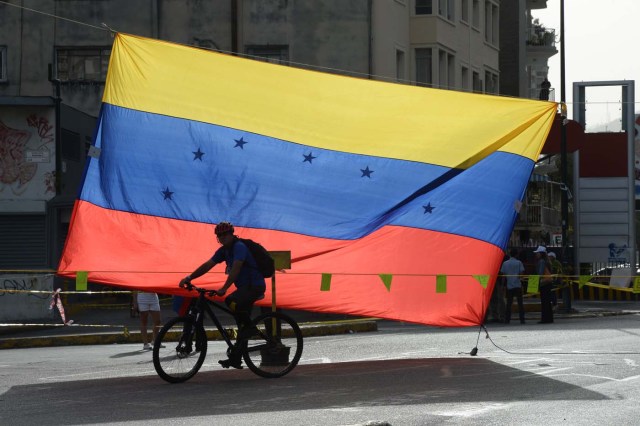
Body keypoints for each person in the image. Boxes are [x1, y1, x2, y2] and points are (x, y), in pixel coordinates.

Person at [179, 221, 266, 369]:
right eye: (220, 235)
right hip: (244, 288)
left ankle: (251, 328)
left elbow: (236, 268)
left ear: (232, 234)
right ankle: (236, 358)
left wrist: (225, 287)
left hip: (254, 286)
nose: (223, 237)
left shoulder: (239, 247)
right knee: (240, 322)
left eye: (225, 234)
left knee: (231, 300)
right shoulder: (224, 251)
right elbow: (208, 265)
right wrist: (189, 278)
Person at [501, 248, 526, 324]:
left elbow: (503, 276)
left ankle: (507, 319)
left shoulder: (505, 263)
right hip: (517, 285)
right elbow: (521, 275)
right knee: (520, 303)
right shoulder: (519, 263)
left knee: (509, 303)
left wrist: (502, 285)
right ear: (516, 254)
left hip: (509, 286)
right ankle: (522, 319)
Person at [533, 245, 554, 324]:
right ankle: (549, 318)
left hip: (543, 283)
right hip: (547, 283)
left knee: (544, 302)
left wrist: (536, 282)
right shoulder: (547, 261)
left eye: (537, 253)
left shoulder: (541, 261)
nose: (536, 254)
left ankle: (545, 319)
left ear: (541, 254)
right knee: (548, 302)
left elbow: (540, 273)